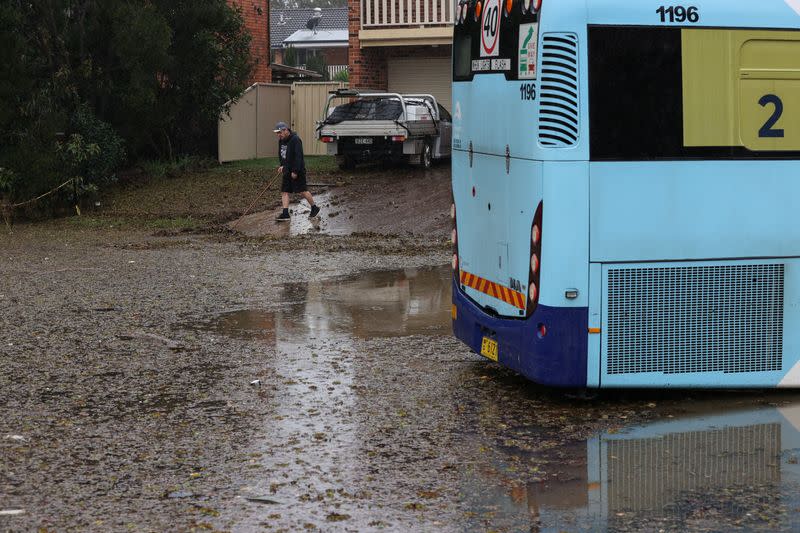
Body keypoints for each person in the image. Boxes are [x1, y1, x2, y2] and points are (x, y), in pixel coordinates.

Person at [273, 121, 320, 221]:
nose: (278, 135)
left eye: (279, 132)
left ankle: (314, 208)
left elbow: (299, 157)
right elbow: (281, 154)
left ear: (286, 130)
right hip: (286, 169)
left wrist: (295, 171)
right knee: (284, 191)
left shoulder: (295, 140)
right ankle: (285, 213)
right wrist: (282, 165)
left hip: (297, 170)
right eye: (277, 133)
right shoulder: (281, 140)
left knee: (302, 190)